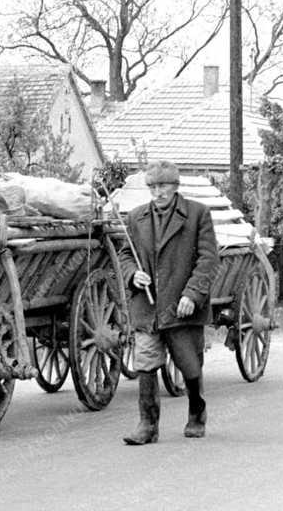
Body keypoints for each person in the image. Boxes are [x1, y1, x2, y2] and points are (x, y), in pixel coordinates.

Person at [118, 160, 220, 444]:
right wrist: (132, 274)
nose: (158, 192)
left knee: (189, 366)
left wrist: (192, 294)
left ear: (175, 186)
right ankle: (147, 425)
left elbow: (209, 259)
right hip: (148, 307)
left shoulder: (197, 214)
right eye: (152, 187)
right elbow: (126, 255)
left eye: (163, 186)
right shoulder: (136, 218)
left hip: (181, 306)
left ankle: (197, 414)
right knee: (146, 362)